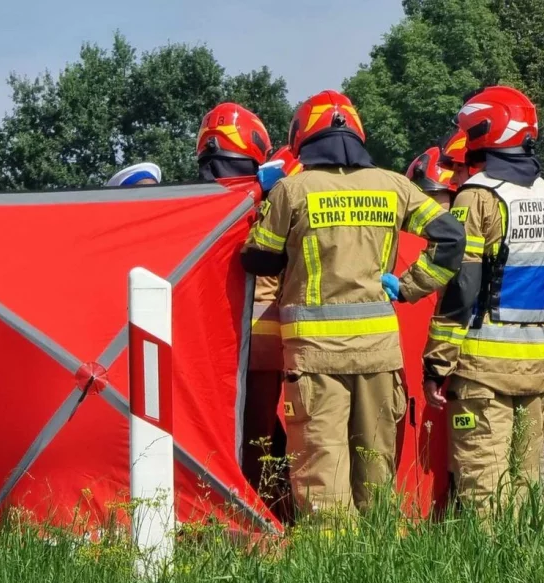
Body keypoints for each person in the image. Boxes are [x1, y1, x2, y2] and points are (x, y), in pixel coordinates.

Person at [240, 90, 466, 517]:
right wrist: (410, 286)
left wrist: (265, 202)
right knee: (376, 476)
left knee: (323, 478)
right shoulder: (393, 186)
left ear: (303, 137)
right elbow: (452, 238)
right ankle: (378, 569)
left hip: (315, 361)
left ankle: (331, 575)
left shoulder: (293, 190)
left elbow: (257, 258)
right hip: (379, 355)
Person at [422, 86, 544, 514]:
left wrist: (437, 363)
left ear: (487, 131)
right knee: (523, 488)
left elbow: (462, 287)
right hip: (537, 368)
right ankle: (522, 572)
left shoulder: (477, 195)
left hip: (483, 372)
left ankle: (486, 575)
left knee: (482, 488)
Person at [196, 102, 291, 508]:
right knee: (260, 441)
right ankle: (261, 517)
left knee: (219, 439)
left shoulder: (192, 201)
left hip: (206, 344)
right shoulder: (273, 194)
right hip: (264, 343)